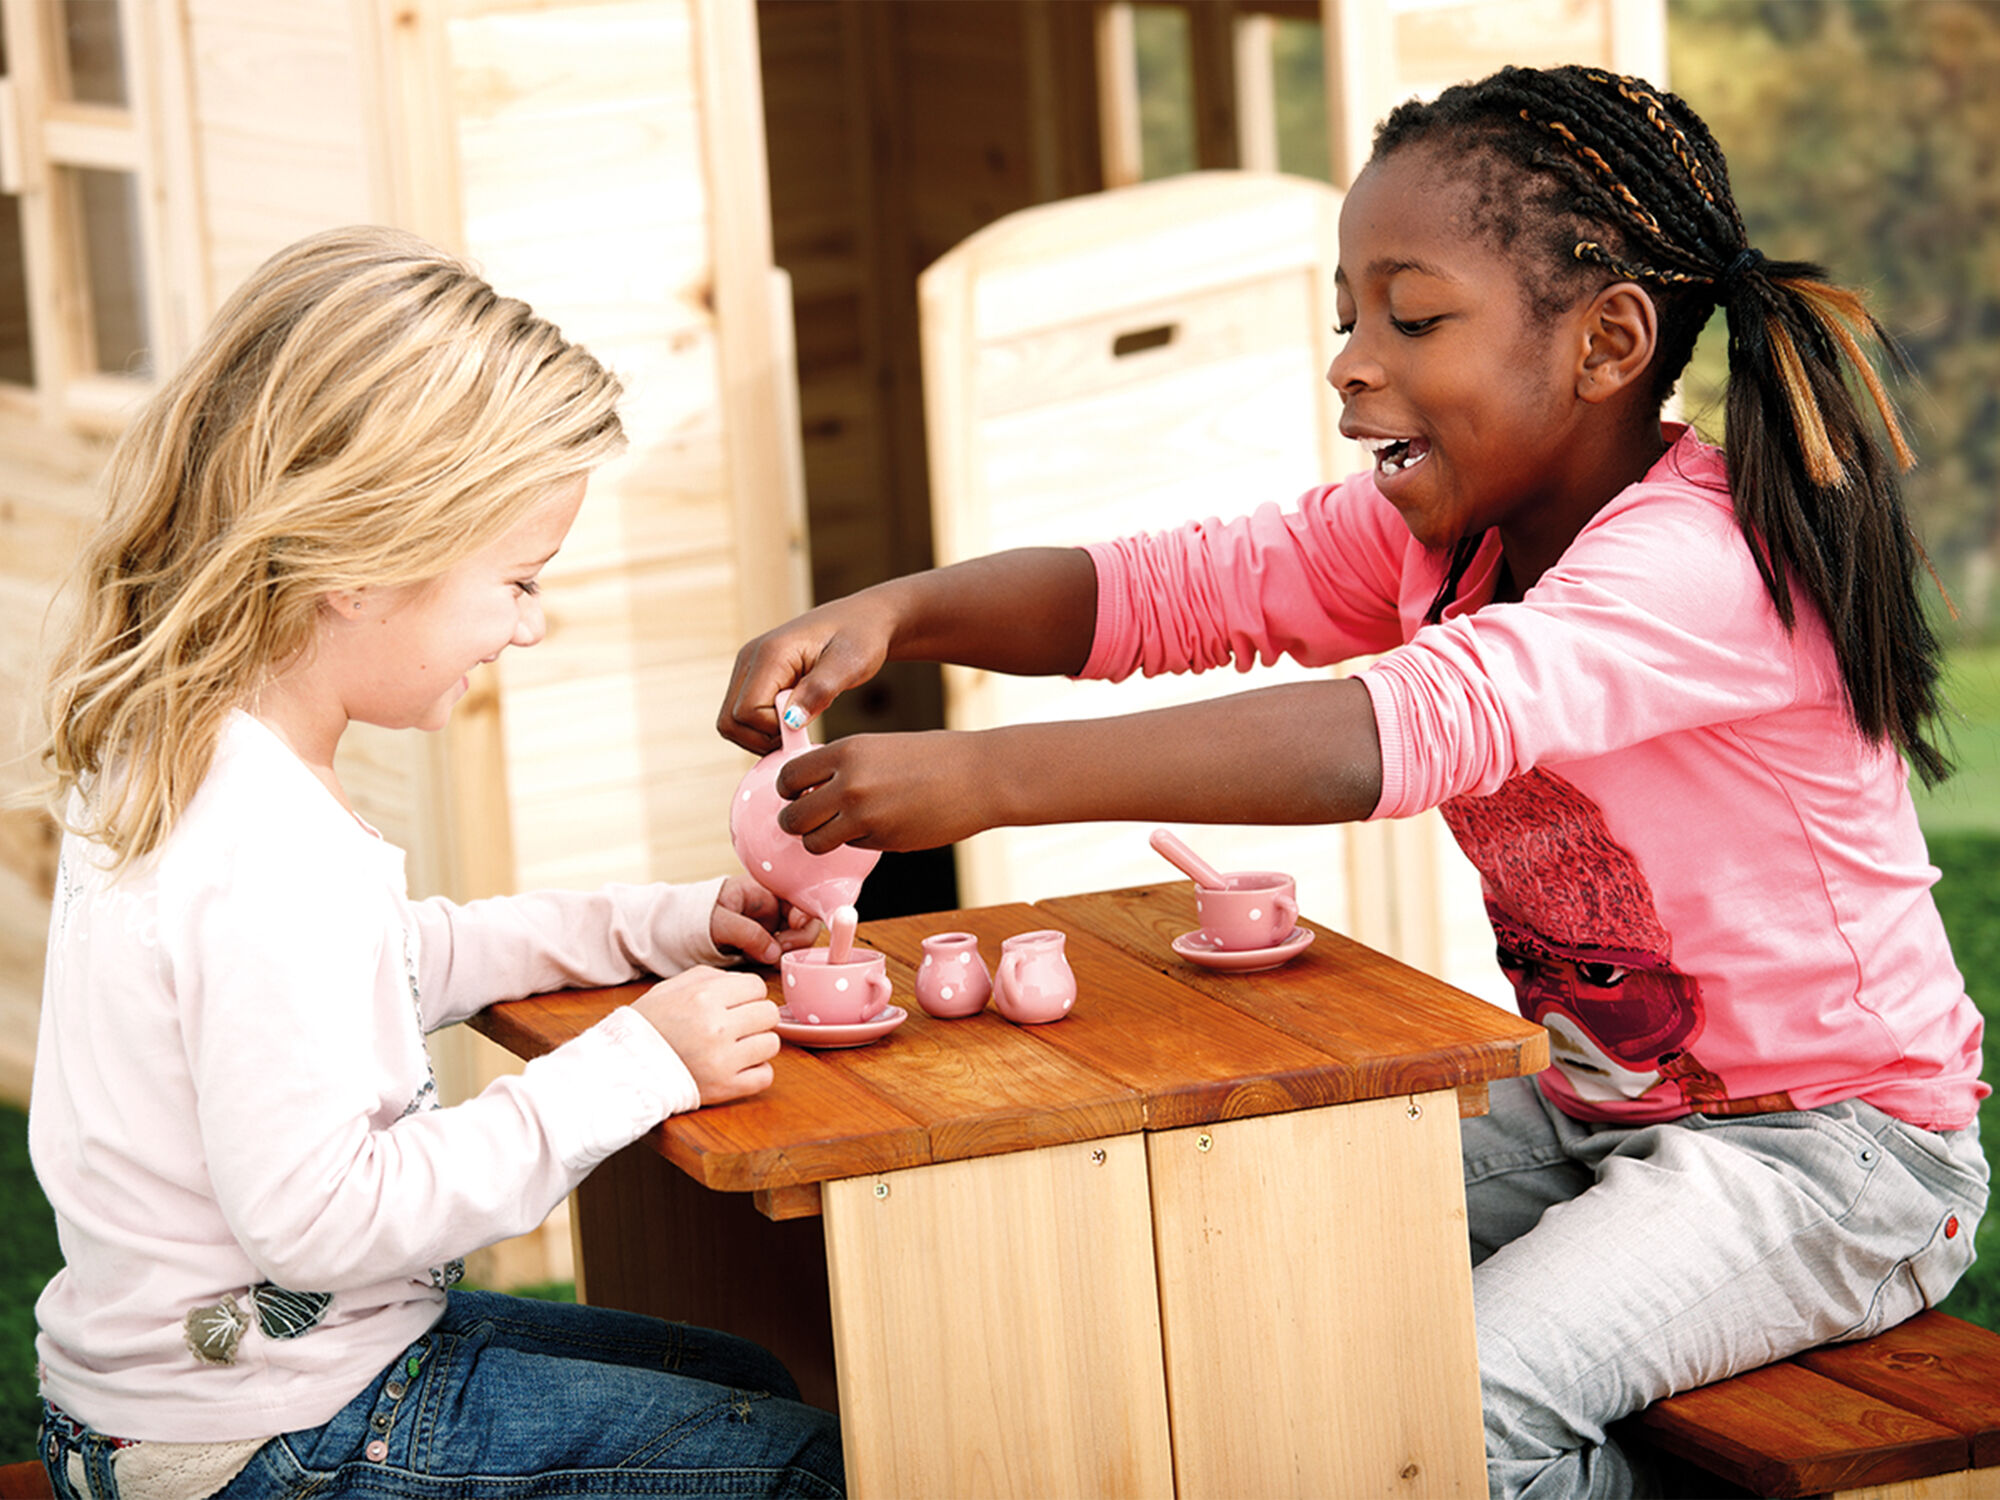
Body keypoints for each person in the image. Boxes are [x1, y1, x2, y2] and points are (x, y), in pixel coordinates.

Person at [716, 65, 1988, 1499]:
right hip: (1592, 1111)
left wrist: (986, 779)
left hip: (1830, 1161)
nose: (1351, 359)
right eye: (1348, 317)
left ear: (1606, 341)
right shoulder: (1433, 540)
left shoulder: (1694, 566)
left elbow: (1391, 732)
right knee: (1232, 1269)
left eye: (1415, 316)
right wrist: (895, 614)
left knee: (1439, 1415)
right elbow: (1163, 590)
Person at [30, 226, 843, 1499]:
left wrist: (660, 926)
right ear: (362, 559)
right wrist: (636, 1063)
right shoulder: (259, 850)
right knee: (798, 1467)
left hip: (206, 1395)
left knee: (751, 1382)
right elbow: (324, 1221)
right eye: (516, 580)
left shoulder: (200, 757)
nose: (530, 622)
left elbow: (385, 963)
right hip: (268, 1438)